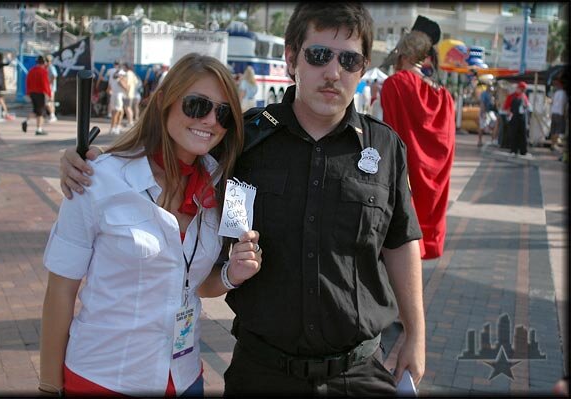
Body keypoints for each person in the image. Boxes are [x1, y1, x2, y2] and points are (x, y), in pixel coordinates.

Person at [58, 3, 426, 396]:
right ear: (291, 58)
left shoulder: (385, 147)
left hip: (359, 372)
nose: (333, 72)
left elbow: (401, 242)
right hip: (263, 372)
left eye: (349, 60)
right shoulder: (245, 140)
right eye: (318, 55)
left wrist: (416, 335)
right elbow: (171, 150)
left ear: (363, 67)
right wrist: (88, 161)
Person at [39, 53, 261, 397]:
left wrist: (233, 274)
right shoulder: (97, 179)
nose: (210, 120)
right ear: (164, 103)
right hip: (103, 379)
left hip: (186, 378)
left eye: (223, 112)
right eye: (197, 105)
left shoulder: (222, 187)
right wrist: (49, 387)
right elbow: (60, 291)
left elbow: (194, 283)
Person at [380, 15, 455, 260]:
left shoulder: (394, 85)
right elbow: (446, 146)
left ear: (403, 55)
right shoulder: (444, 96)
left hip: (398, 179)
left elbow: (382, 133)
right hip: (426, 185)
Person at [21, 55, 52, 136]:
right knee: (40, 112)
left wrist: (28, 93)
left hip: (32, 93)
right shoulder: (43, 71)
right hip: (40, 93)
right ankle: (39, 129)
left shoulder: (31, 71)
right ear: (44, 62)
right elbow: (45, 84)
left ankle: (26, 121)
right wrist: (49, 94)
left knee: (36, 110)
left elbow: (27, 82)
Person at [503, 81, 531, 156]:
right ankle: (513, 150)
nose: (522, 91)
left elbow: (528, 105)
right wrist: (509, 115)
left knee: (523, 134)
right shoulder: (511, 96)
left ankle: (523, 151)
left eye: (523, 90)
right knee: (513, 134)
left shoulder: (524, 96)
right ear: (518, 88)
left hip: (522, 118)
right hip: (514, 118)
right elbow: (506, 107)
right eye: (521, 89)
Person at [549, 76, 568, 151]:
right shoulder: (564, 94)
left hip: (553, 112)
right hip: (559, 113)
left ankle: (552, 144)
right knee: (557, 129)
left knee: (553, 129)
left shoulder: (556, 93)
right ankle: (554, 144)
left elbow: (552, 102)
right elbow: (564, 105)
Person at [108, 67, 127, 135]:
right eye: (123, 75)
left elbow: (108, 89)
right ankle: (114, 128)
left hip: (115, 96)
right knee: (116, 113)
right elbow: (126, 87)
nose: (124, 76)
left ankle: (116, 127)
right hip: (118, 97)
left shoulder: (113, 80)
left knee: (120, 112)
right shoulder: (119, 80)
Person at [121, 62, 139, 128]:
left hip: (127, 94)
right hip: (132, 93)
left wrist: (121, 82)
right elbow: (136, 82)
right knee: (129, 108)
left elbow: (127, 84)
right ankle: (130, 121)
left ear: (126, 67)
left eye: (123, 67)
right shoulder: (132, 73)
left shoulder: (127, 74)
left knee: (127, 108)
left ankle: (130, 122)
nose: (123, 68)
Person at [45, 54, 58, 122]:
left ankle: (52, 115)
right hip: (49, 88)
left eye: (47, 60)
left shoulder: (51, 67)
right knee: (50, 102)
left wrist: (49, 83)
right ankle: (52, 115)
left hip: (51, 88)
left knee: (49, 102)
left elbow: (54, 76)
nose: (46, 62)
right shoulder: (47, 67)